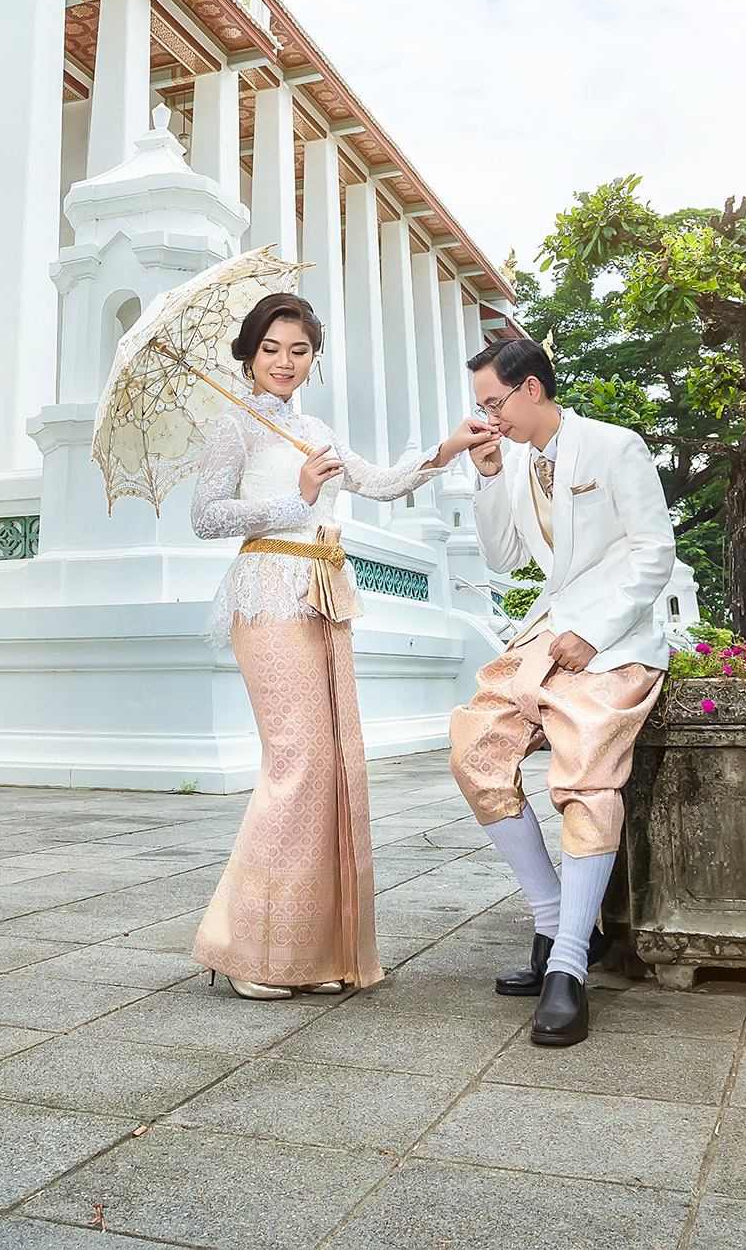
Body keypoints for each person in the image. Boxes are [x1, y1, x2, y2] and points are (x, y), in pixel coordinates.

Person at [188, 292, 493, 999]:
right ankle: (249, 953)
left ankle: (308, 953)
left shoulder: (315, 428)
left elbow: (380, 485)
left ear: (313, 358)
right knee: (295, 761)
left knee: (331, 766)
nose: (284, 362)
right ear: (247, 354)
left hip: (322, 592)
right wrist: (296, 499)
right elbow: (204, 517)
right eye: (270, 349)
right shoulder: (232, 425)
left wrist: (446, 450)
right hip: (267, 591)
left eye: (298, 350)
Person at [450, 335, 680, 1047]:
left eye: (494, 403)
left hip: (614, 640)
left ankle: (570, 969)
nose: (489, 417)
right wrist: (487, 476)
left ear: (532, 390)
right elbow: (503, 557)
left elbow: (653, 550)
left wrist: (596, 629)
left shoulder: (614, 446)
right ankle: (553, 925)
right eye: (481, 406)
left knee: (583, 778)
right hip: (546, 637)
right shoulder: (515, 464)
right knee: (474, 752)